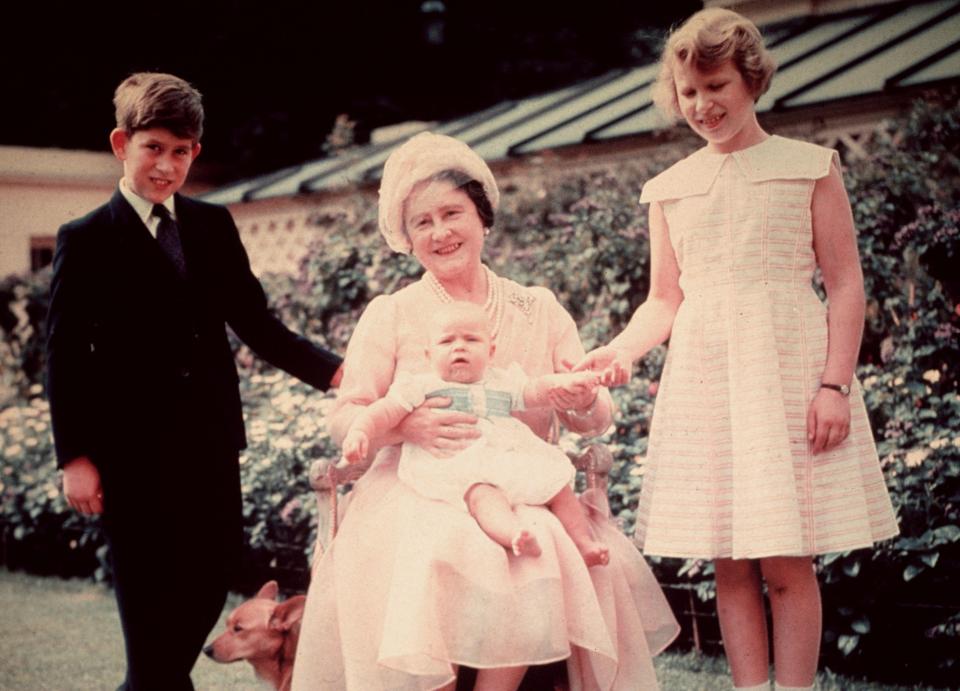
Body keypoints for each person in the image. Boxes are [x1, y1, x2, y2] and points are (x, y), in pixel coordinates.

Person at [574, 9, 899, 691]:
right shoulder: (670, 189)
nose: (703, 104)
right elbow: (664, 300)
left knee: (785, 559)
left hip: (785, 378)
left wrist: (834, 386)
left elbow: (845, 286)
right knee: (728, 559)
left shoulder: (808, 167)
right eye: (689, 92)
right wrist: (619, 351)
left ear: (751, 80)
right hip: (708, 382)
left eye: (716, 85)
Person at [292, 131, 678, 691]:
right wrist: (403, 426)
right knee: (442, 546)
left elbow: (594, 416)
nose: (440, 232)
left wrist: (586, 396)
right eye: (422, 223)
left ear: (483, 217)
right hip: (415, 488)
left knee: (535, 542)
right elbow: (345, 413)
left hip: (523, 486)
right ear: (407, 237)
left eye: (452, 213)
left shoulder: (536, 306)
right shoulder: (393, 313)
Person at [45, 72, 342, 691]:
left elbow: (257, 324)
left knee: (208, 583)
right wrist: (75, 455)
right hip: (130, 461)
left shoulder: (212, 226)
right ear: (121, 143)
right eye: (154, 148)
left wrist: (337, 371)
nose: (166, 166)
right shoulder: (86, 239)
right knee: (150, 615)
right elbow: (64, 355)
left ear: (195, 154)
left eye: (180, 152)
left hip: (209, 448)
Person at [341, 301, 609, 567]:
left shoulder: (502, 381)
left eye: (471, 339)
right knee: (483, 496)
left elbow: (536, 390)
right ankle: (515, 534)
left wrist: (567, 382)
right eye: (446, 342)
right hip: (459, 460)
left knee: (558, 487)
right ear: (429, 354)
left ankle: (583, 543)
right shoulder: (421, 385)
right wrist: (361, 430)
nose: (459, 346)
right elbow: (384, 411)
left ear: (490, 351)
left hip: (506, 455)